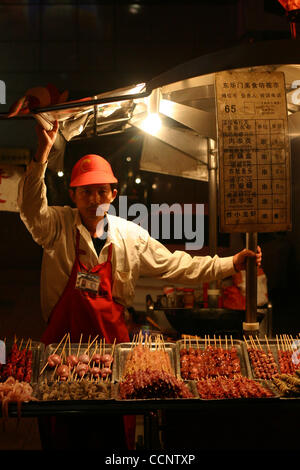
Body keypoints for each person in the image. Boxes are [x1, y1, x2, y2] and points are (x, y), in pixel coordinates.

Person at [17, 121, 262, 449]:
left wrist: (230, 263)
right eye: (86, 191)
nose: (94, 199)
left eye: (102, 190)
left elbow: (176, 265)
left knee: (113, 441)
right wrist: (42, 156)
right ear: (73, 195)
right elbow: (31, 208)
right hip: (61, 355)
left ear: (113, 195)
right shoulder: (56, 227)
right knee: (65, 437)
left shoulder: (129, 235)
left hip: (113, 356)